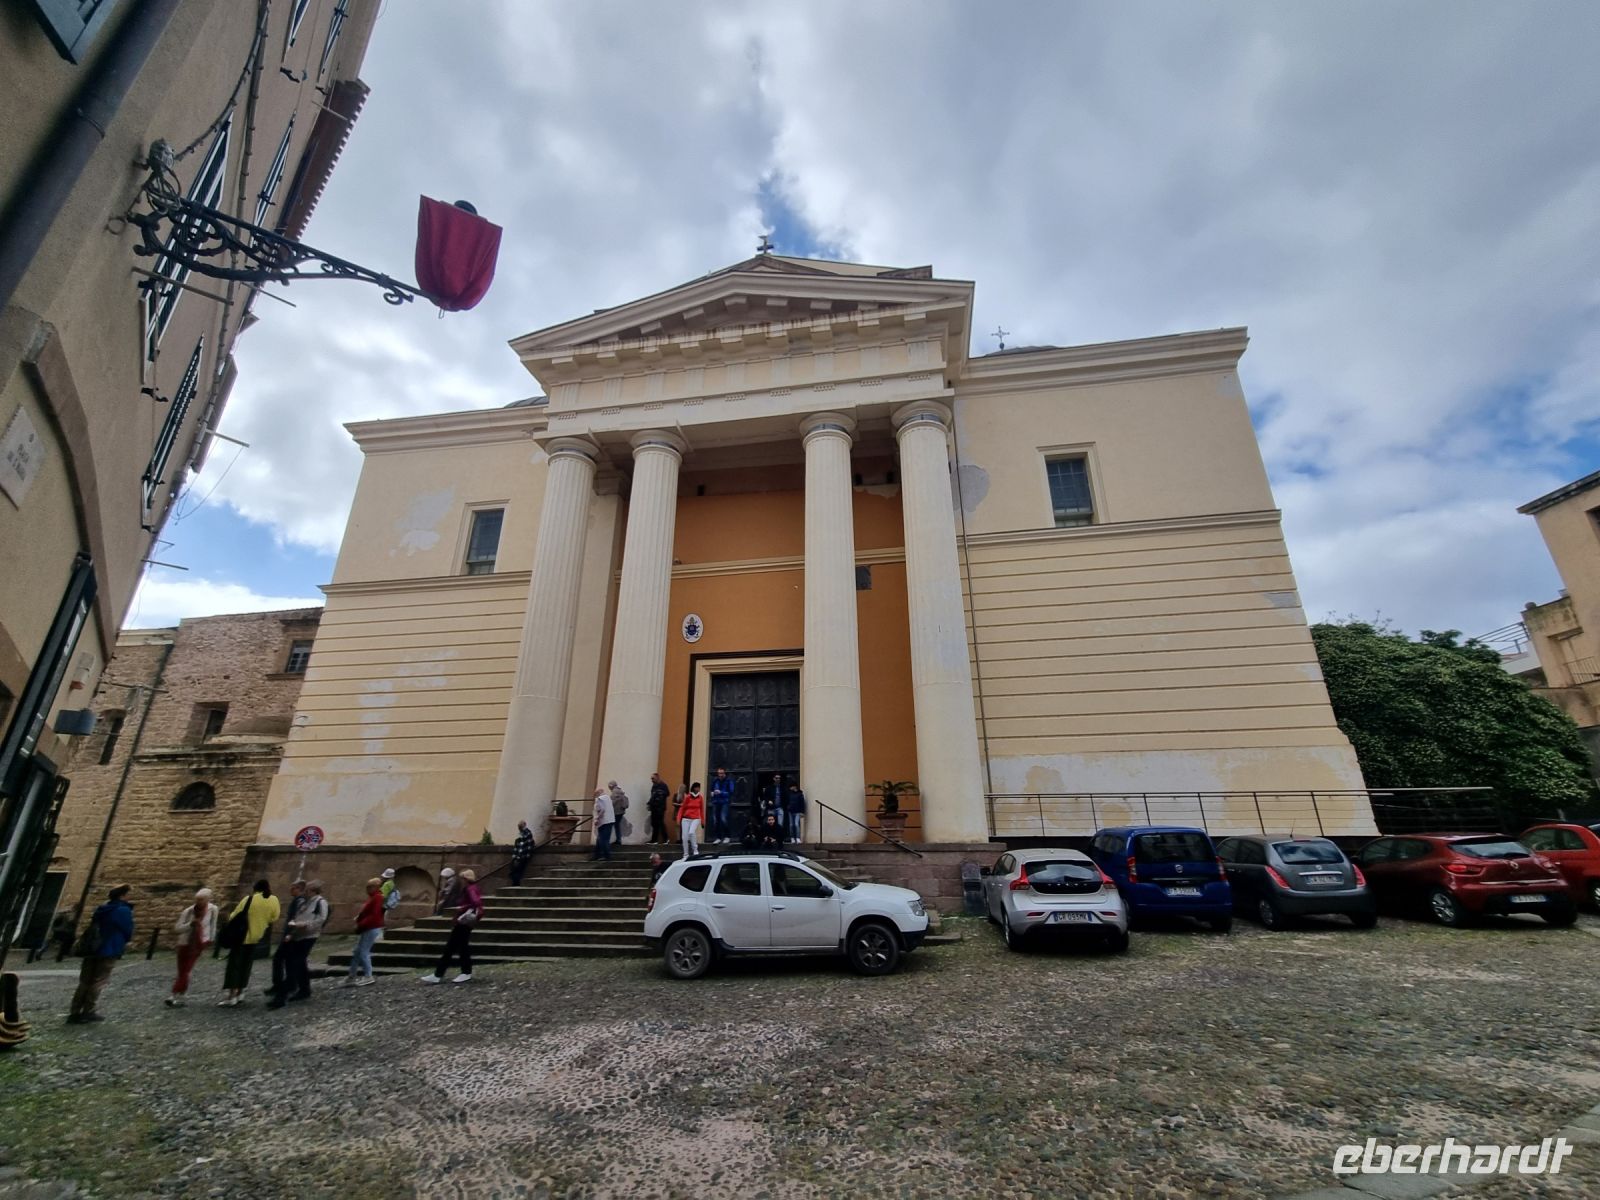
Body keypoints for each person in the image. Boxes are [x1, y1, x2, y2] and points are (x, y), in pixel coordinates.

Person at [67, 884, 134, 1024]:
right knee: (99, 981)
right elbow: (127, 931)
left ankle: (74, 1011)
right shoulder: (122, 910)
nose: (130, 897)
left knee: (85, 980)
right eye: (128, 894)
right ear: (122, 896)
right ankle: (88, 1011)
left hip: (92, 948)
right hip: (109, 949)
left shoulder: (102, 909)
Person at [219, 879, 278, 1008]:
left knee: (234, 966)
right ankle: (240, 992)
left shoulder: (249, 899)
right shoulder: (274, 900)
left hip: (241, 938)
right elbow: (274, 917)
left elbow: (233, 916)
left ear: (255, 888)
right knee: (246, 965)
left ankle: (232, 995)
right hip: (256, 938)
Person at [270, 880, 327, 1008]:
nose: (305, 892)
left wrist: (305, 925)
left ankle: (281, 996)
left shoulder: (320, 902)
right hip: (299, 935)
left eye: (307, 890)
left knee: (294, 963)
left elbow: (321, 919)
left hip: (309, 936)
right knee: (299, 963)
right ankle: (304, 989)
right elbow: (299, 916)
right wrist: (292, 932)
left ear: (313, 891)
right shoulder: (307, 902)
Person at [420, 868, 483, 984]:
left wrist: (463, 908)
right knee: (461, 947)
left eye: (462, 878)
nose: (461, 881)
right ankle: (463, 972)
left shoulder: (470, 889)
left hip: (463, 921)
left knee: (451, 947)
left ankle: (439, 974)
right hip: (465, 922)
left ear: (466, 879)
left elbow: (476, 902)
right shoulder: (472, 888)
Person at [166, 888, 216, 1007]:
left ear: (208, 899)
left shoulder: (213, 910)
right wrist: (190, 924)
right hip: (184, 942)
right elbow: (177, 928)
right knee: (182, 970)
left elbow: (212, 925)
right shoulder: (188, 912)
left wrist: (211, 939)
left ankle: (173, 995)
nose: (199, 902)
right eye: (197, 899)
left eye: (202, 899)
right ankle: (182, 995)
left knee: (187, 969)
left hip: (198, 944)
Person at [267, 880, 307, 999]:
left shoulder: (300, 901)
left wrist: (290, 934)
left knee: (280, 959)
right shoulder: (298, 901)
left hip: (290, 937)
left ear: (299, 889)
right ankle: (287, 985)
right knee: (287, 961)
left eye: (293, 888)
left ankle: (283, 985)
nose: (290, 890)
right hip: (290, 936)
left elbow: (297, 919)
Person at [347, 878, 385, 987]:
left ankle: (368, 975)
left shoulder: (377, 897)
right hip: (368, 927)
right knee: (357, 951)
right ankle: (351, 976)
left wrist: (361, 923)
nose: (367, 889)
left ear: (376, 887)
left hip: (371, 927)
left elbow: (374, 915)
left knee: (363, 951)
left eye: (370, 887)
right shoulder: (373, 898)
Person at [678, 782, 704, 859]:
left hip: (695, 818)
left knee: (691, 832)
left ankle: (695, 850)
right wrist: (678, 818)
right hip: (686, 818)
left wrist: (703, 821)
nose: (698, 789)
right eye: (696, 787)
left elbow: (702, 810)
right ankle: (685, 854)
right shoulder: (688, 797)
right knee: (685, 837)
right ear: (693, 788)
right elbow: (682, 808)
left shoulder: (700, 798)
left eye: (699, 787)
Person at [709, 768, 734, 844]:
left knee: (723, 819)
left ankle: (727, 836)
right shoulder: (715, 780)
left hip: (725, 802)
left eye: (721, 773)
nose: (720, 775)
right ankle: (718, 837)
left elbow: (731, 792)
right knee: (715, 820)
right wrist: (712, 793)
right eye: (719, 773)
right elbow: (711, 790)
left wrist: (721, 792)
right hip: (716, 802)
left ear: (725, 773)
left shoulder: (729, 781)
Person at [591, 786, 614, 861]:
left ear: (598, 793)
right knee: (601, 839)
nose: (595, 795)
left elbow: (602, 809)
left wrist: (597, 818)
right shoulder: (608, 798)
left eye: (596, 793)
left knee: (603, 839)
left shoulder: (599, 799)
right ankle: (596, 855)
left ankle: (606, 856)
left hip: (603, 821)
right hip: (610, 820)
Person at [509, 821, 534, 886]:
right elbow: (518, 846)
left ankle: (515, 883)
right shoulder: (522, 834)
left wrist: (518, 857)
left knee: (517, 870)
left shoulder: (527, 833)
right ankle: (515, 882)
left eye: (520, 826)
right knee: (515, 870)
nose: (519, 828)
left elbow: (527, 845)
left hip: (522, 856)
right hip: (520, 856)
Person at [647, 774, 670, 843]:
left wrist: (660, 794)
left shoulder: (663, 785)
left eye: (653, 778)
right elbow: (652, 796)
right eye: (651, 779)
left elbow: (667, 793)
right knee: (654, 824)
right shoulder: (654, 786)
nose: (652, 780)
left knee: (660, 823)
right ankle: (654, 840)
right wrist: (650, 803)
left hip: (660, 807)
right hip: (654, 807)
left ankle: (666, 839)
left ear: (657, 778)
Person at [608, 780, 631, 846]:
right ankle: (618, 840)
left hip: (616, 812)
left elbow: (613, 802)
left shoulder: (615, 792)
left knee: (613, 825)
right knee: (616, 825)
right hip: (621, 811)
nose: (609, 788)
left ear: (611, 786)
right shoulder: (620, 791)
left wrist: (608, 807)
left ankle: (617, 840)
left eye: (609, 786)